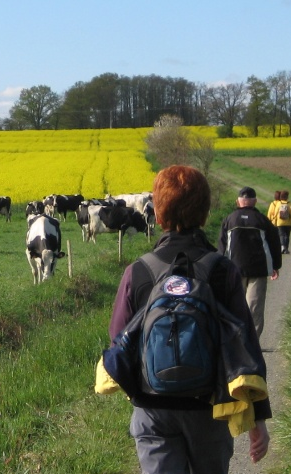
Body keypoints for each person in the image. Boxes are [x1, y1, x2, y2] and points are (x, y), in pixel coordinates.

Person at [107, 165, 271, 473]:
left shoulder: (138, 271)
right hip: (209, 409)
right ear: (206, 213)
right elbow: (245, 345)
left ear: (158, 213)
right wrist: (257, 418)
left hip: (153, 410)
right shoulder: (222, 270)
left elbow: (118, 336)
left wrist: (140, 395)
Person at [218, 186, 282, 338]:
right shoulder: (262, 220)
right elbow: (274, 243)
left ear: (238, 201)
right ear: (255, 202)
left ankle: (236, 340)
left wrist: (219, 268)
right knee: (255, 308)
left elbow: (221, 246)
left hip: (233, 269)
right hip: (258, 270)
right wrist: (275, 266)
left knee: (235, 306)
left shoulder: (229, 219)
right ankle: (252, 342)